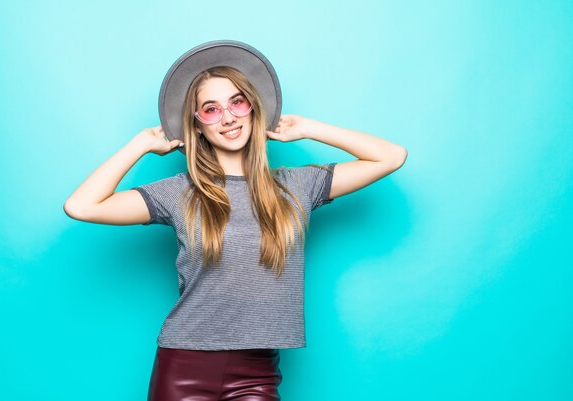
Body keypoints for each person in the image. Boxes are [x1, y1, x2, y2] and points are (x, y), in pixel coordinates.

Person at [63, 41, 407, 401]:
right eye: (210, 110)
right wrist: (140, 144)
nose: (227, 117)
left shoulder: (297, 186)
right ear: (196, 125)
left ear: (253, 110)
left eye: (237, 102)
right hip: (184, 366)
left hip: (257, 372)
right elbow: (82, 206)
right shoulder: (179, 193)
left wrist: (309, 127)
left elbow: (390, 157)